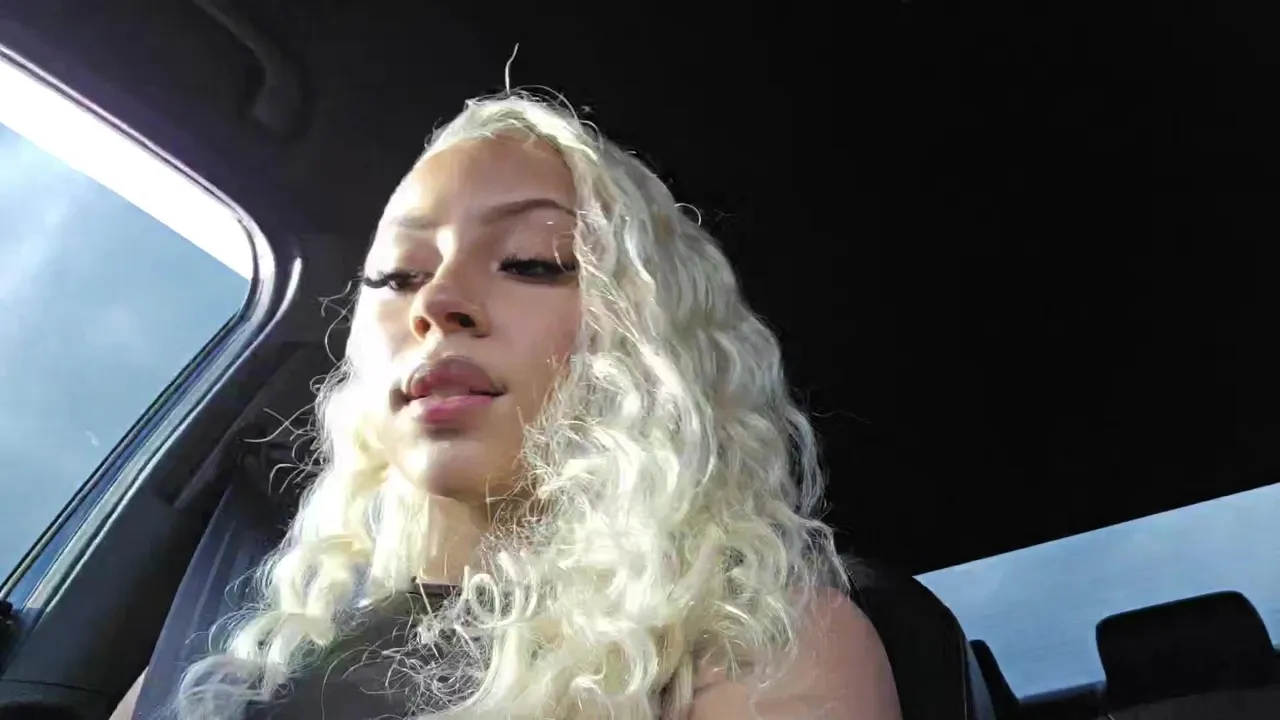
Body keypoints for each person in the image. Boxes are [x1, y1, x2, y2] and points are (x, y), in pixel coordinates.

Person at [115, 93, 901, 719]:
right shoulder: (237, 656)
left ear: (646, 336)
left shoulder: (758, 644)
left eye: (533, 261)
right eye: (398, 275)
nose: (437, 302)